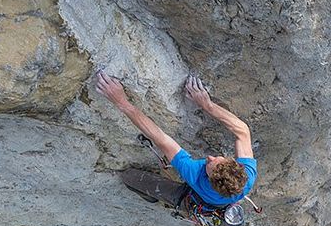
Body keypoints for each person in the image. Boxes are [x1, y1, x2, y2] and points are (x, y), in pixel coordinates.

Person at [95, 72, 257, 209]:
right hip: (219, 199)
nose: (210, 157)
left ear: (208, 179)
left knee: (129, 177)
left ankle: (152, 196)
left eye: (210, 164)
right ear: (239, 166)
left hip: (195, 200)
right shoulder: (247, 176)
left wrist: (122, 103)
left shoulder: (194, 174)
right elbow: (242, 131)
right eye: (217, 159)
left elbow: (161, 139)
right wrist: (207, 105)